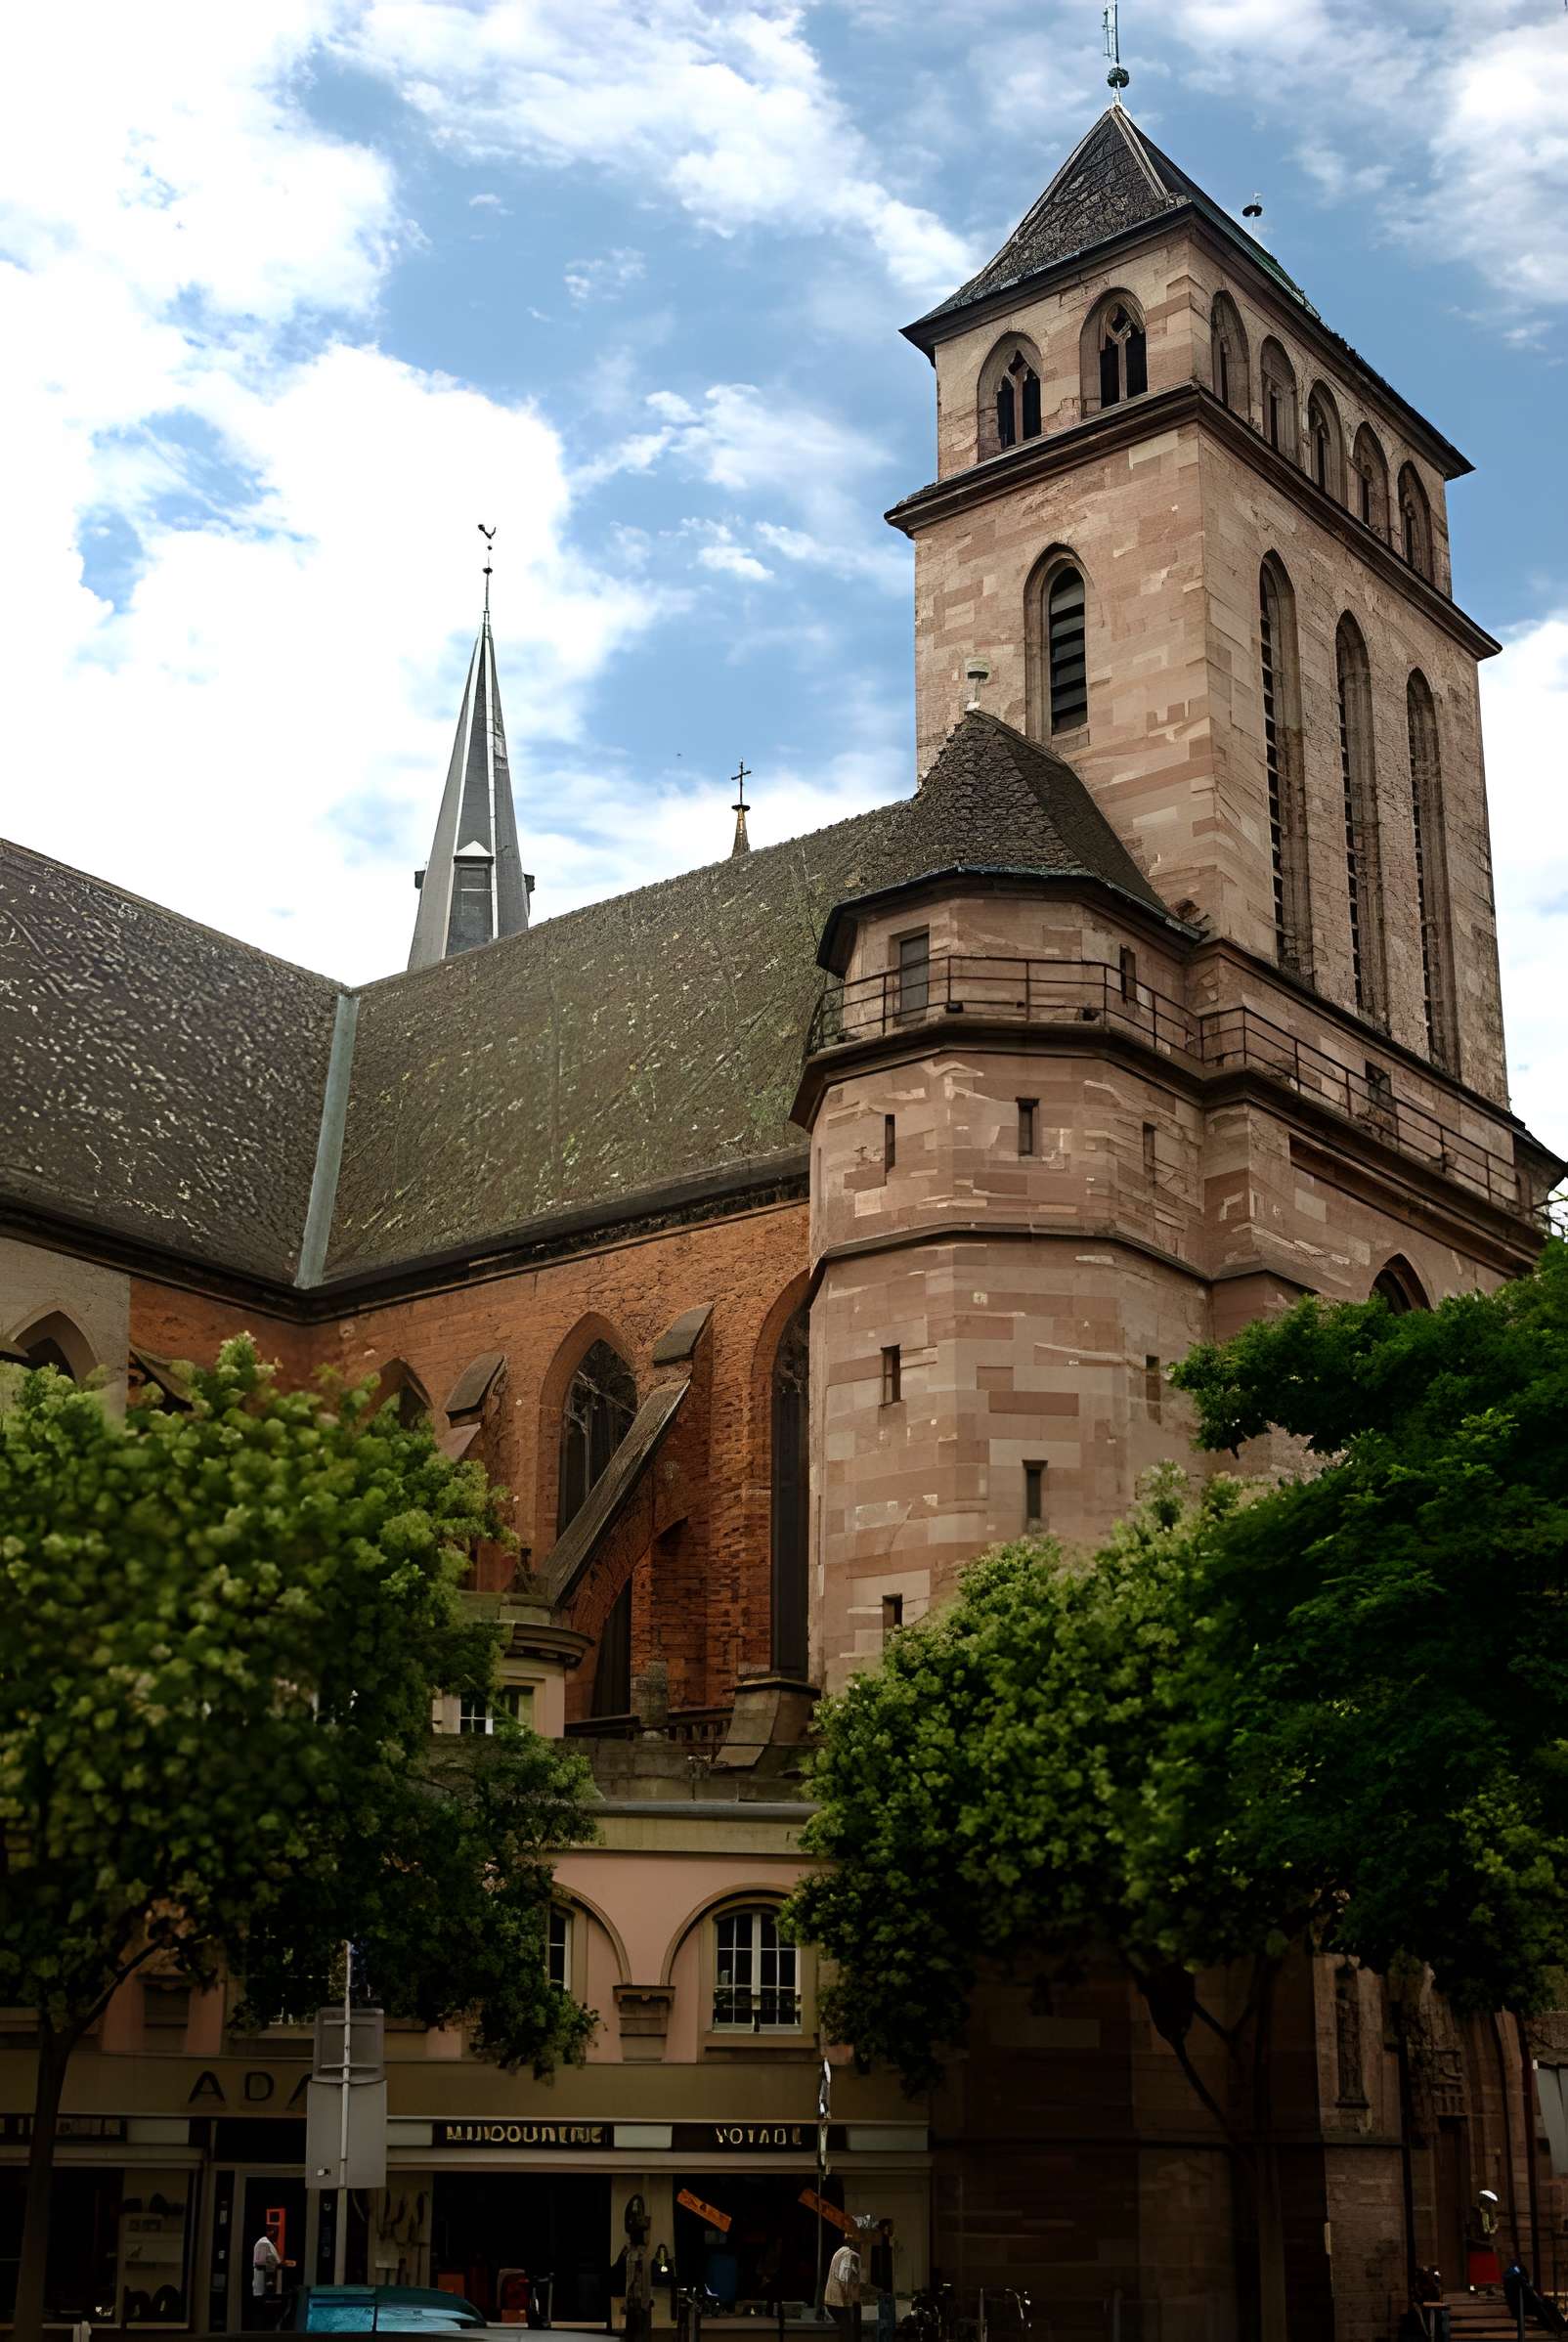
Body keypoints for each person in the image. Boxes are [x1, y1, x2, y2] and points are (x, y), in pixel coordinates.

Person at [825, 2239, 861, 2342]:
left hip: (831, 2299)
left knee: (845, 2329)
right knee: (848, 2331)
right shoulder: (851, 2255)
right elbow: (845, 2278)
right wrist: (853, 2296)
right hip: (840, 2301)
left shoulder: (839, 2252)